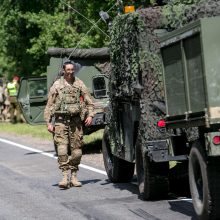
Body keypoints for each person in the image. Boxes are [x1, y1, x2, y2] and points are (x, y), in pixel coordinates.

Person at [44, 60, 94, 189]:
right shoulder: (57, 85)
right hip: (60, 121)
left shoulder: (79, 83)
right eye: (68, 70)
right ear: (64, 70)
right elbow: (49, 105)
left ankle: (74, 175)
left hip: (76, 121)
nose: (71, 72)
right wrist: (48, 122)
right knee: (62, 149)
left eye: (72, 70)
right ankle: (65, 176)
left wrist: (90, 115)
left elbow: (89, 101)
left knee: (77, 151)